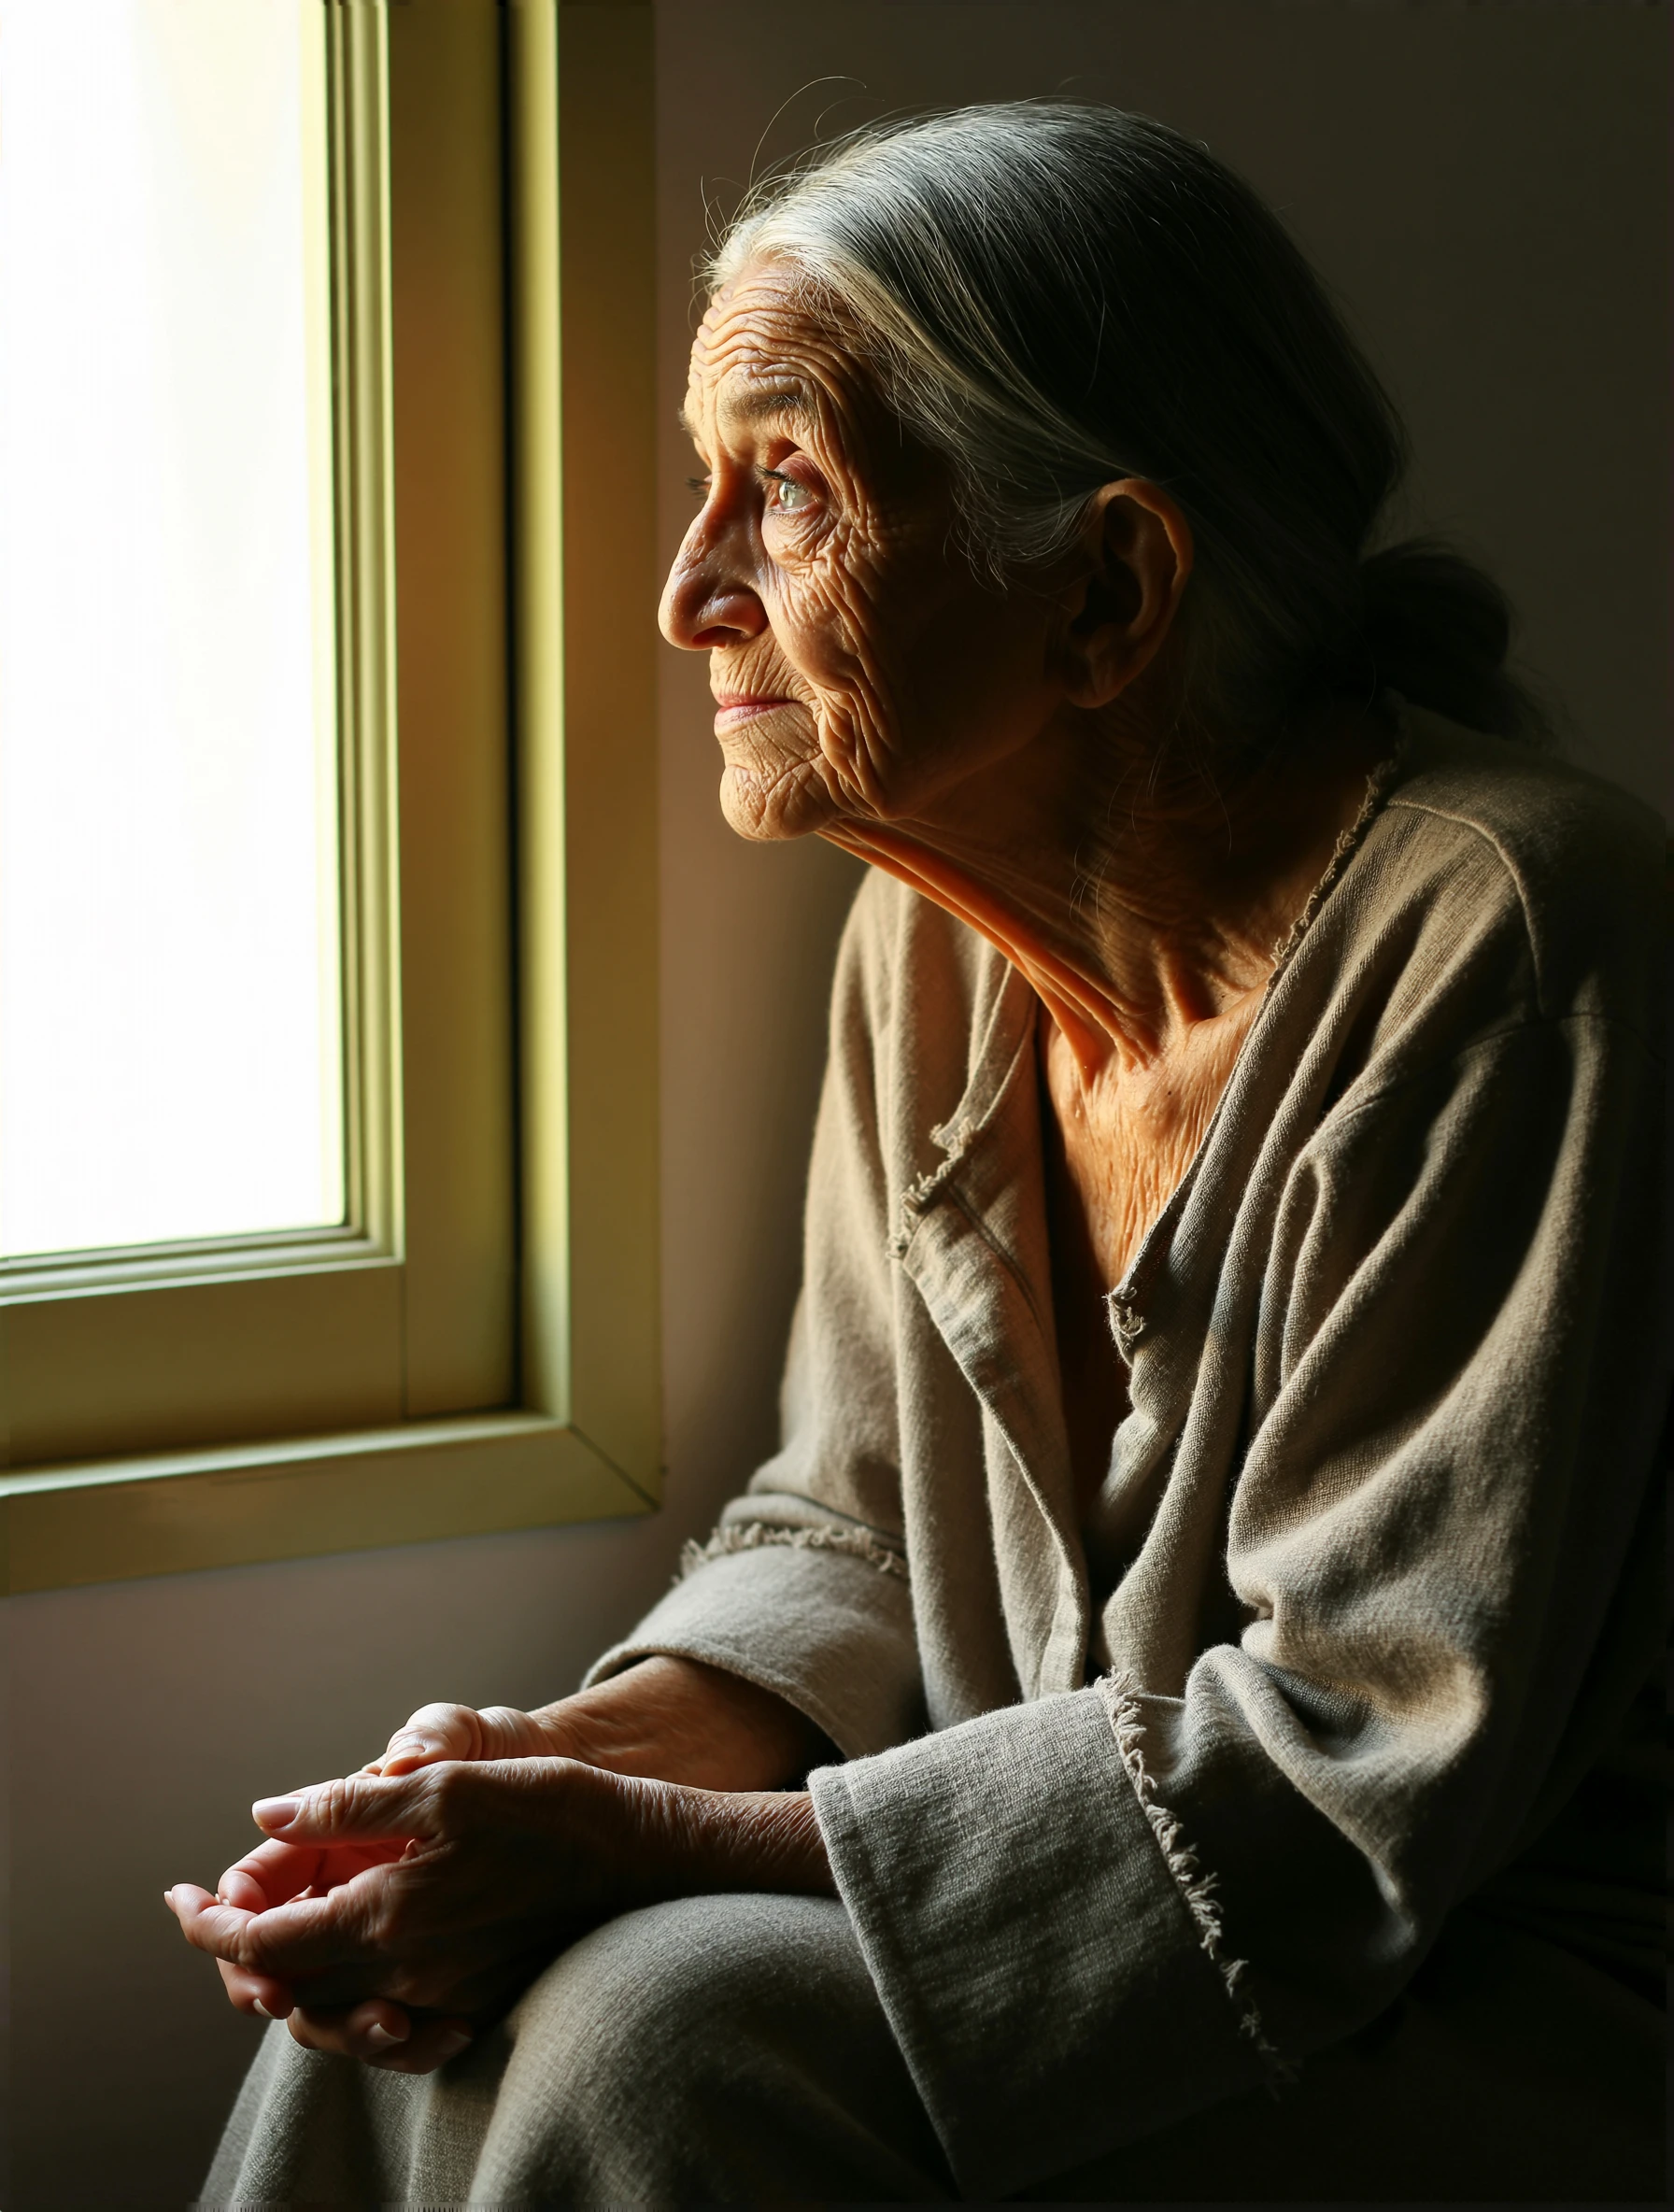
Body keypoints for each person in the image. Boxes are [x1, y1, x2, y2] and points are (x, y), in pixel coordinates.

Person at [173, 104, 1667, 2205]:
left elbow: (1351, 1764)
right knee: (440, 1992)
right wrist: (530, 1781)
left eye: (782, 492)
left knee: (651, 2015)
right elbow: (850, 1520)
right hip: (1109, 1906)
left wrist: (636, 1850)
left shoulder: (1506, 934)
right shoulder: (932, 940)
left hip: (1497, 1994)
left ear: (1105, 588)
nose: (687, 589)